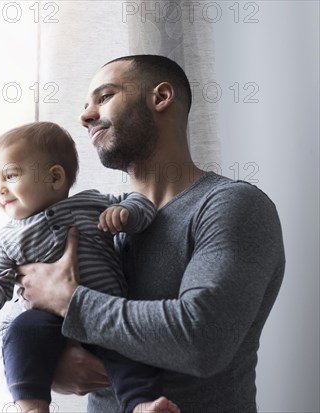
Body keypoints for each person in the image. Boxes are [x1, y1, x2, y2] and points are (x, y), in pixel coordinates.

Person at [17, 55, 286, 412]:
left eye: (105, 96)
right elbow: (30, 302)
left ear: (160, 98)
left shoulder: (233, 206)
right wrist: (49, 367)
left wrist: (71, 302)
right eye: (85, 106)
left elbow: (201, 341)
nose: (85, 116)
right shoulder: (97, 220)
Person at [0, 121, 180, 413]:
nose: (0, 189)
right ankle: (31, 405)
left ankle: (140, 404)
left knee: (130, 346)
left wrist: (126, 212)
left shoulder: (91, 203)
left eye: (10, 176)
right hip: (46, 323)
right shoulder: (7, 238)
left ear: (54, 177)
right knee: (21, 330)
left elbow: (142, 203)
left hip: (103, 312)